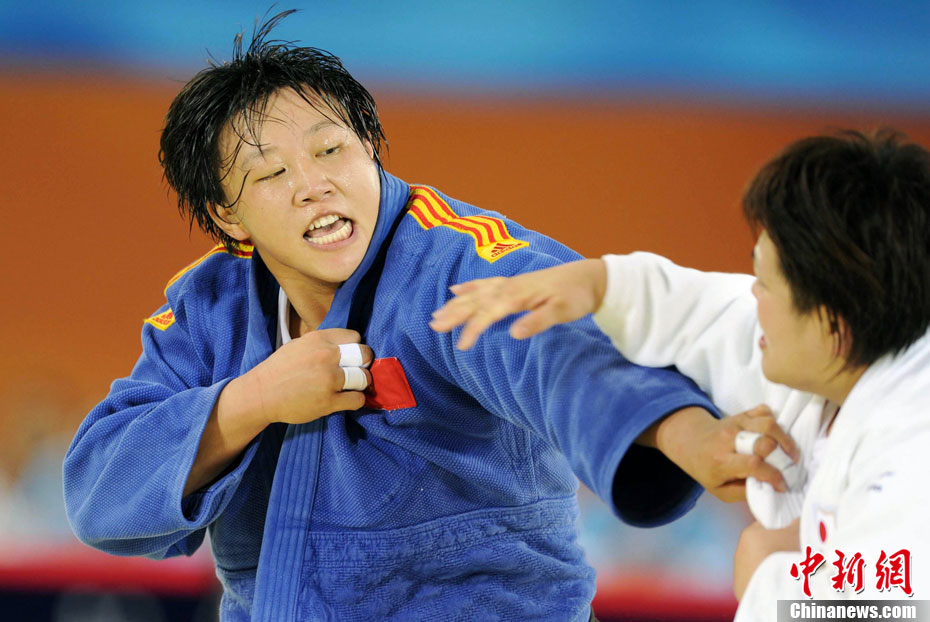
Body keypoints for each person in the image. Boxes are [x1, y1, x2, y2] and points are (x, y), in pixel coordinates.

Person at [61, 11, 786, 622]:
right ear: (227, 214)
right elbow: (100, 488)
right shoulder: (210, 307)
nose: (315, 185)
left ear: (371, 148)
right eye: (273, 173)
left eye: (332, 149)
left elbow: (559, 352)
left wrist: (691, 438)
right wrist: (255, 398)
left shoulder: (455, 262)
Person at [431, 129, 930, 619]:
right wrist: (597, 283)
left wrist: (766, 575)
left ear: (832, 321)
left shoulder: (911, 456)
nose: (752, 296)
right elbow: (708, 312)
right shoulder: (839, 347)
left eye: (765, 284)